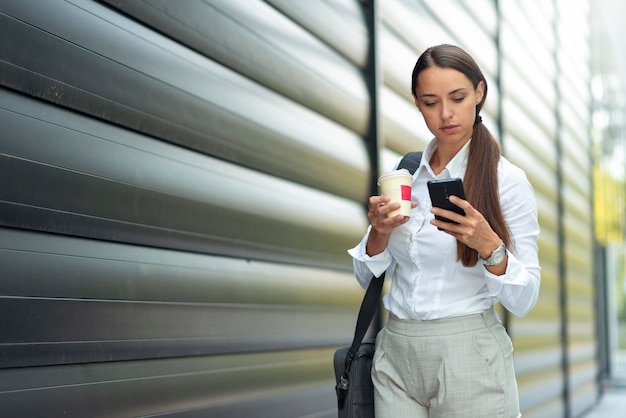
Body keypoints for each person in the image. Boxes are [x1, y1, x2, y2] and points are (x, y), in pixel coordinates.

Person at [348, 44, 540, 418]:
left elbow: (525, 299)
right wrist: (379, 233)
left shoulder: (508, 182)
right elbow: (363, 276)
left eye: (457, 97)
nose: (446, 114)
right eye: (431, 102)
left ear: (479, 93)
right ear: (417, 103)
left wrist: (489, 246)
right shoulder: (404, 177)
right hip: (397, 355)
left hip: (468, 353)